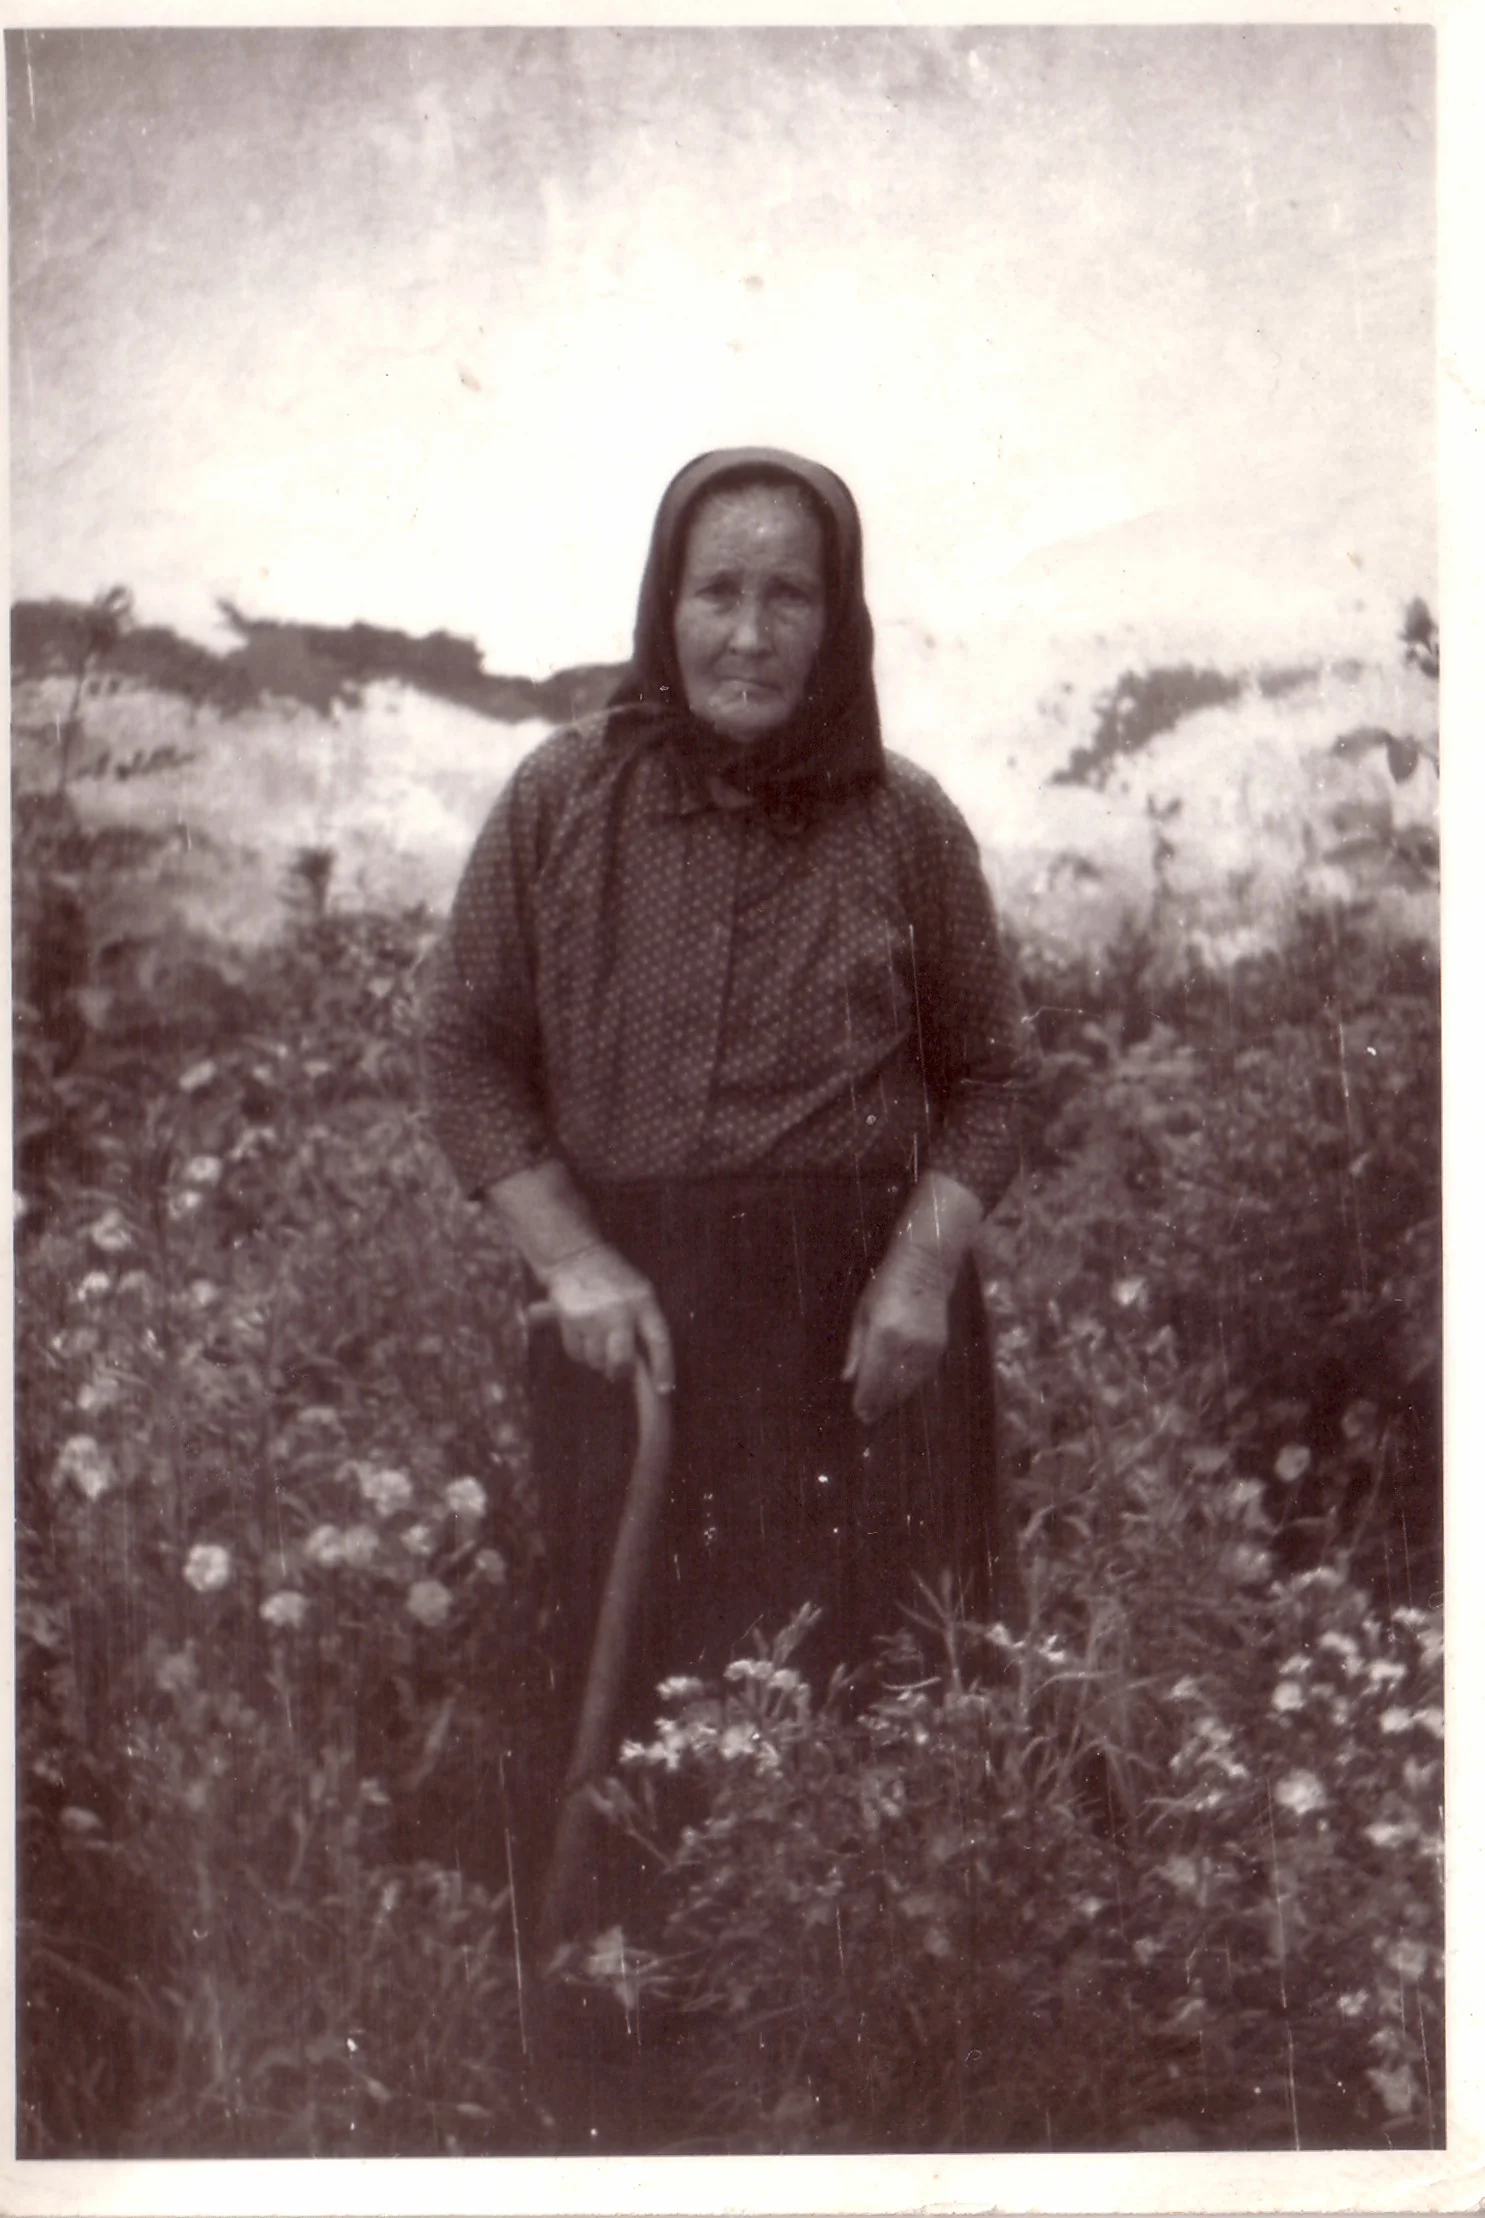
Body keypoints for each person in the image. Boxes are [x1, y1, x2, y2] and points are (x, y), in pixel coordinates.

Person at [419, 447, 1040, 1780]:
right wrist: (571, 1262)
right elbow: (461, 1049)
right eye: (717, 591)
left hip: (861, 1332)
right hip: (635, 1326)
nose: (749, 634)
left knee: (883, 1712)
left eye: (789, 595)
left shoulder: (906, 822)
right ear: (667, 604)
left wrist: (921, 1275)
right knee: (648, 1724)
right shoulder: (561, 800)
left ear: (837, 619)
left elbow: (994, 1078)